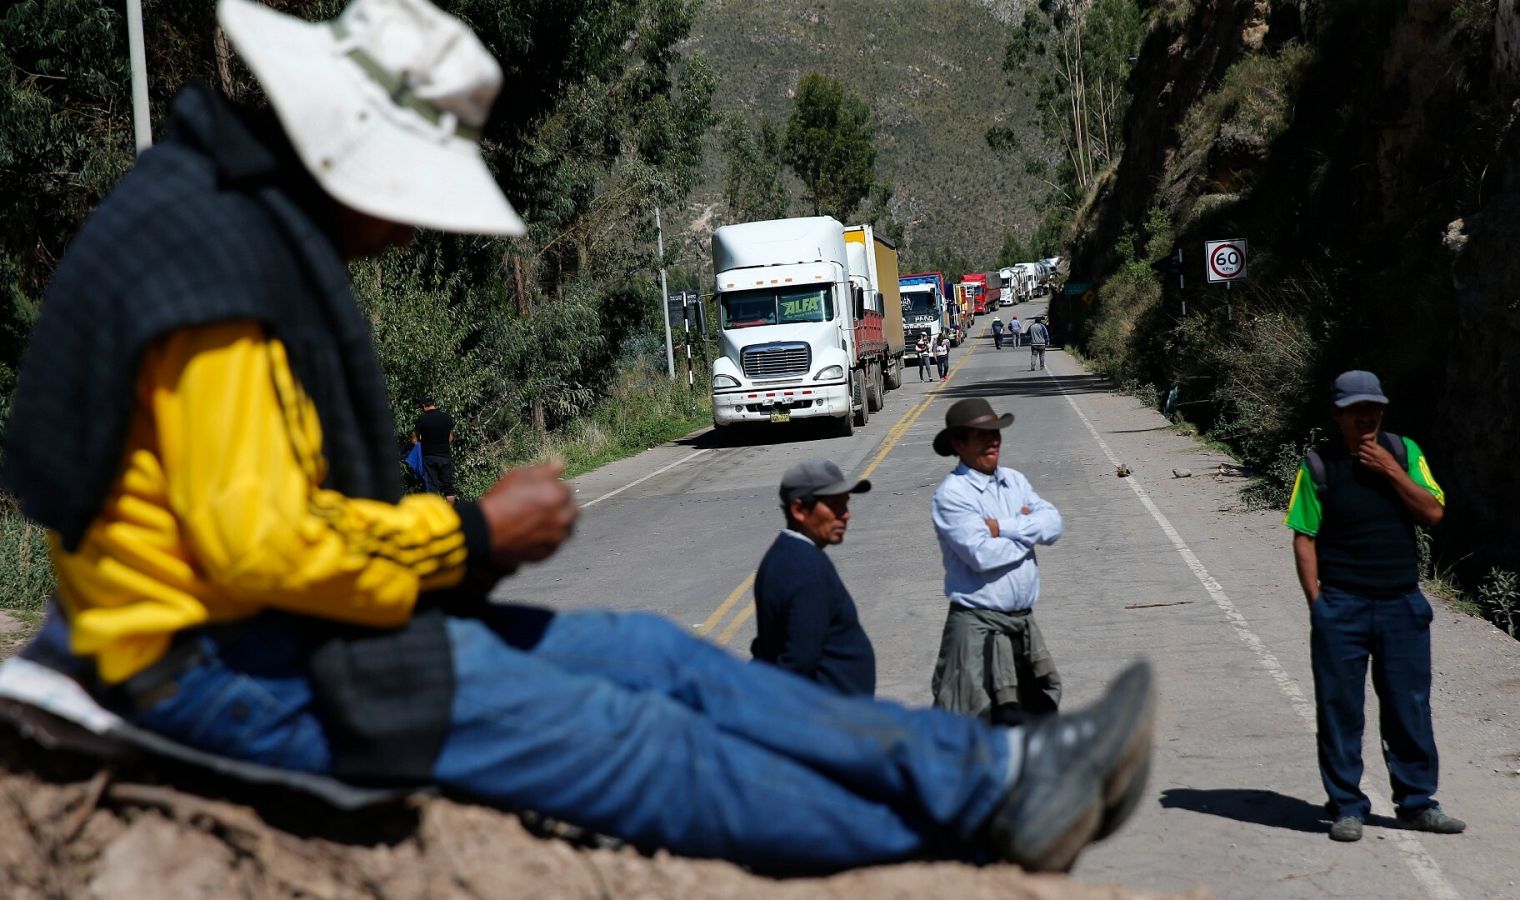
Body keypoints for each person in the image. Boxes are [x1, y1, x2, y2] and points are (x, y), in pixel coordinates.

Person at [2, 0, 1156, 876]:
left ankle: (992, 766)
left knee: (654, 657)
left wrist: (467, 538)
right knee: (635, 743)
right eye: (406, 192)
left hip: (273, 626)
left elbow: (273, 517)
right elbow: (261, 551)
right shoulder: (217, 288)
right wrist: (471, 532)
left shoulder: (224, 226)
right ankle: (981, 825)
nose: (404, 230)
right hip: (213, 667)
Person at [1284, 370, 1466, 843]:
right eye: (1355, 409)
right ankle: (1347, 805)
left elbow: (1432, 512)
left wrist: (1389, 468)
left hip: (1401, 603)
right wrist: (1318, 603)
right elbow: (1304, 537)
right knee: (1339, 709)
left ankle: (1417, 803)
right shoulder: (1318, 464)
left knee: (1410, 706)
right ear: (1338, 414)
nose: (1366, 416)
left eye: (1374, 408)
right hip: (1342, 605)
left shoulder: (1406, 452)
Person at [929, 399, 1064, 725]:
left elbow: (1055, 525)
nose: (993, 441)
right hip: (978, 629)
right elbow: (981, 555)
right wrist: (1030, 534)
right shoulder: (953, 494)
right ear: (958, 444)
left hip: (1023, 626)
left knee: (1036, 714)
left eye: (996, 433)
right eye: (982, 435)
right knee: (973, 721)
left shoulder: (1015, 480)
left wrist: (1003, 527)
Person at [751, 460, 875, 697]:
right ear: (799, 510)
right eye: (835, 505)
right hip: (830, 717)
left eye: (846, 503)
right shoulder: (805, 569)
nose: (846, 514)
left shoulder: (783, 554)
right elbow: (799, 660)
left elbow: (769, 644)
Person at [412, 397, 456, 503]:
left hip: (429, 457)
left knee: (432, 490)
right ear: (434, 404)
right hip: (445, 456)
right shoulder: (447, 418)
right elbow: (451, 438)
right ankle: (449, 514)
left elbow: (414, 440)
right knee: (448, 489)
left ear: (423, 406)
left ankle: (436, 516)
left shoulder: (422, 419)